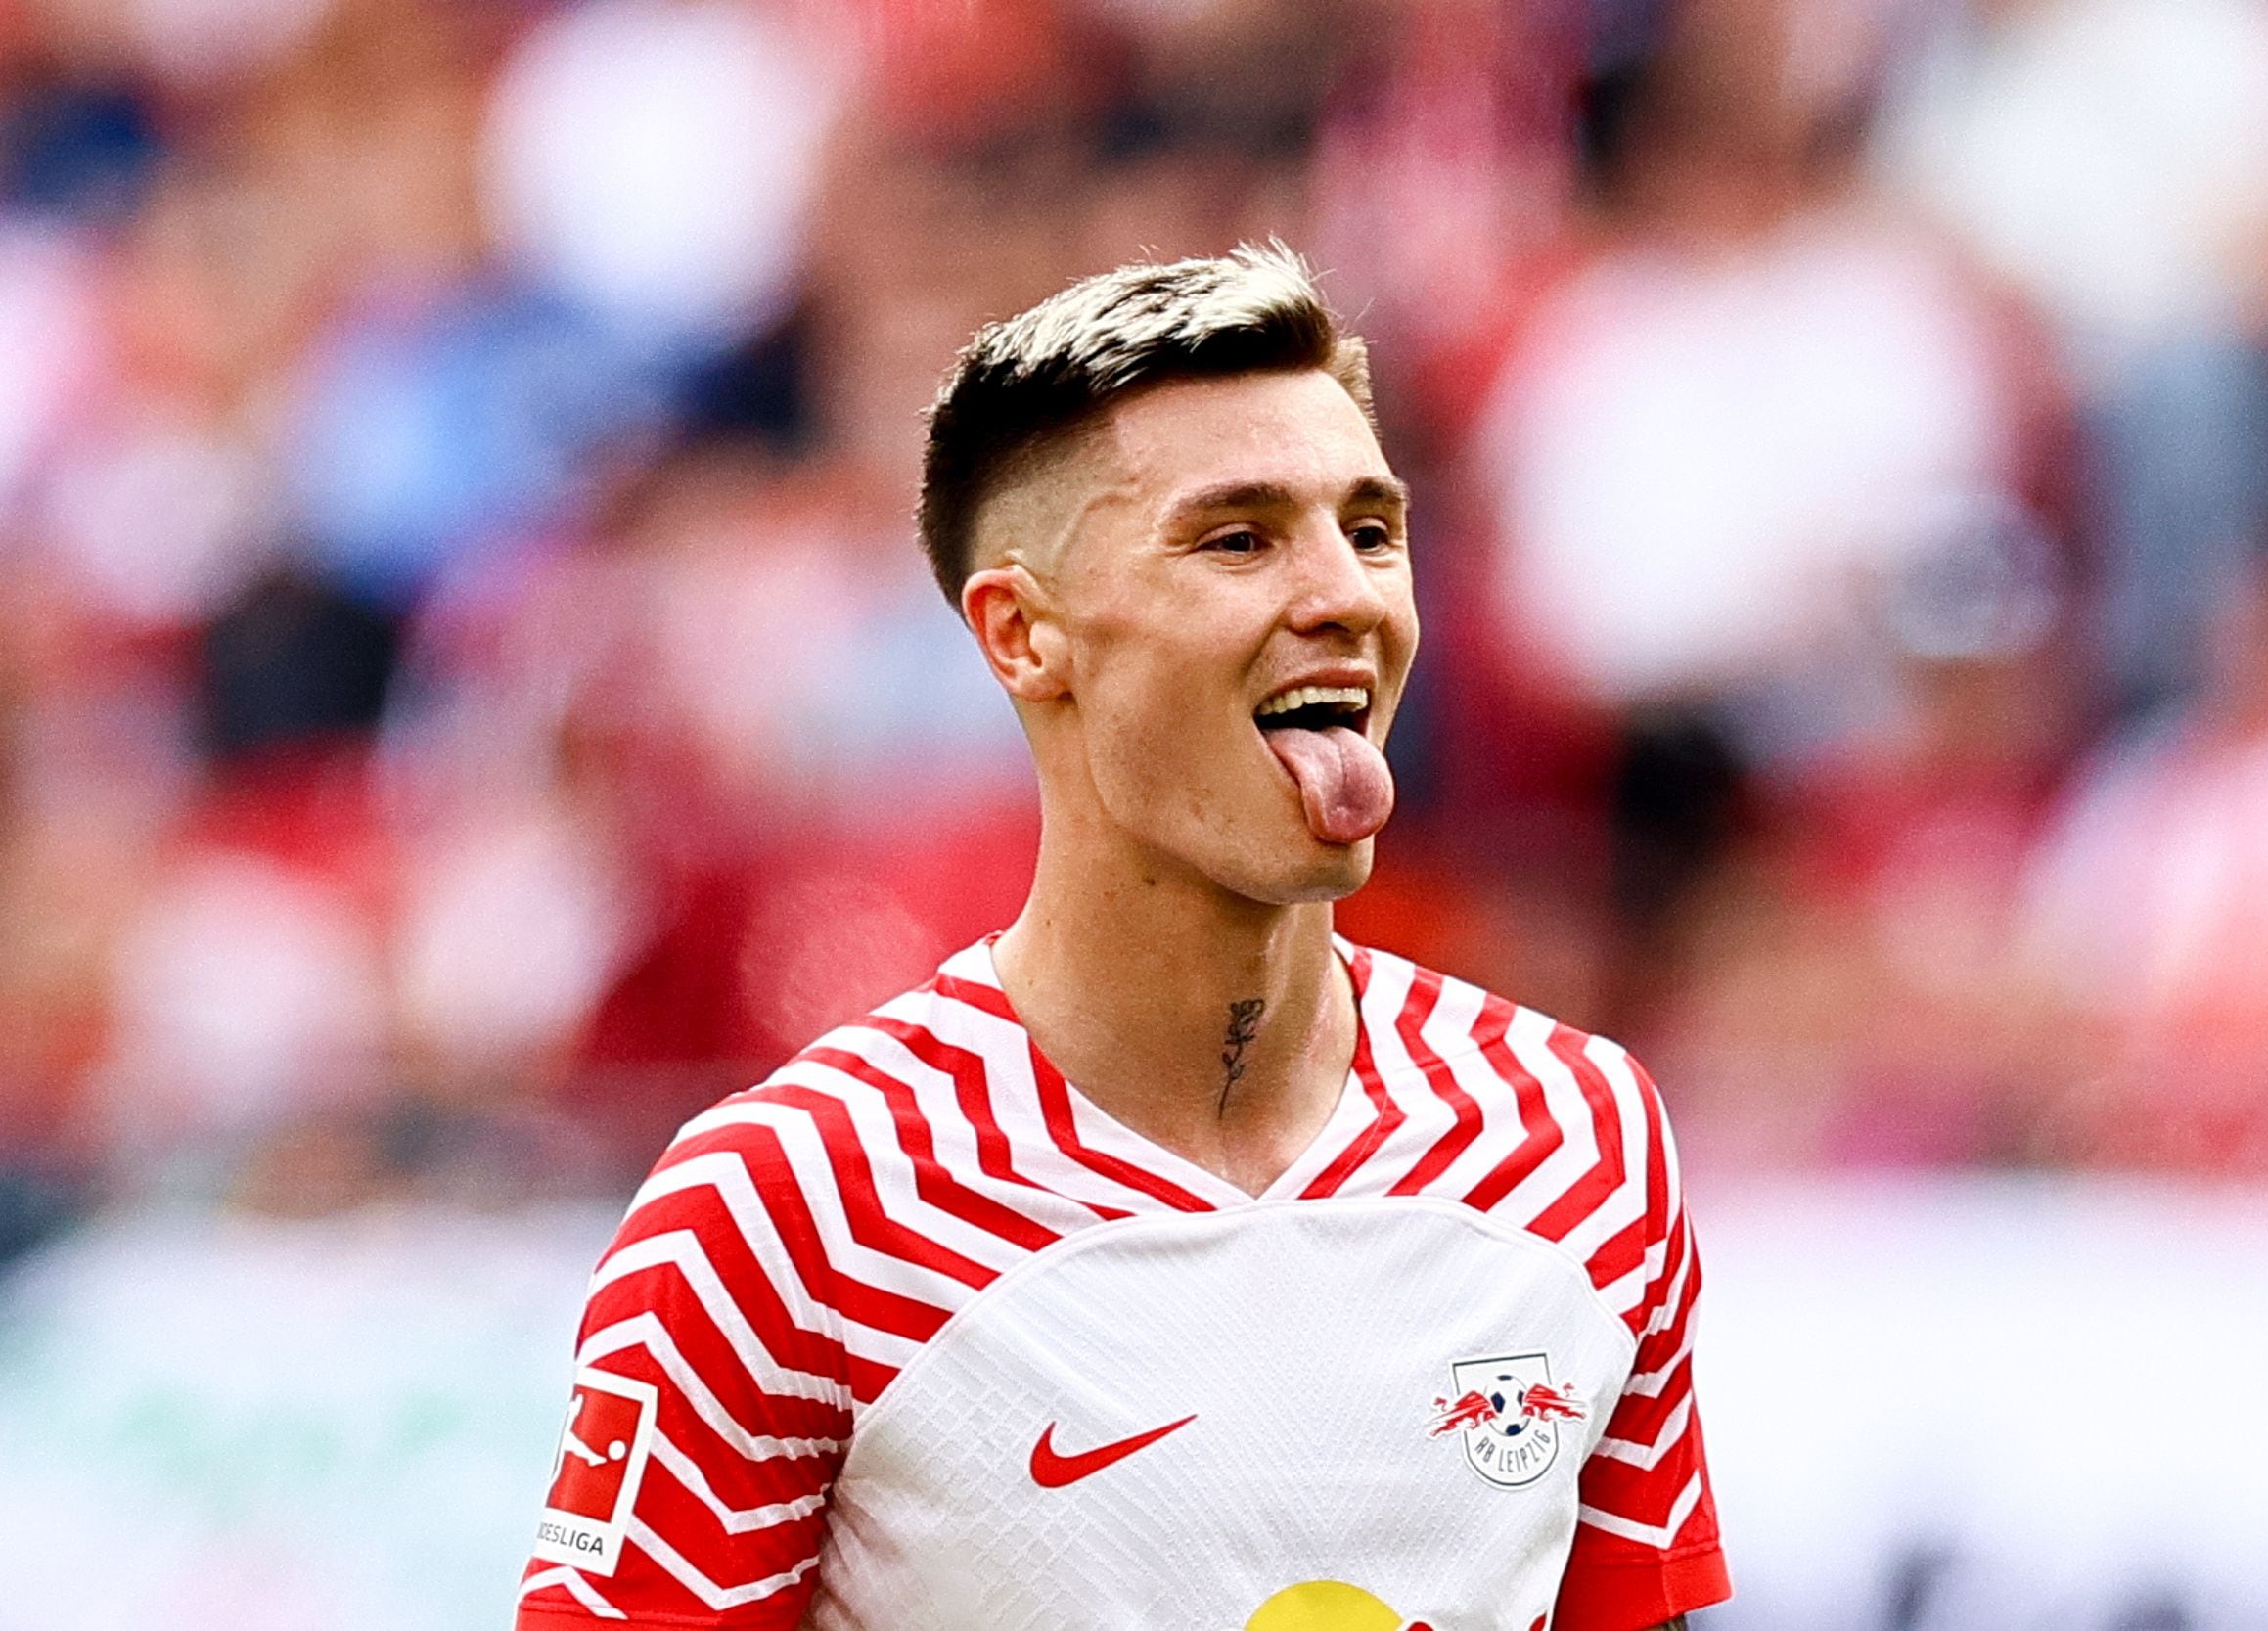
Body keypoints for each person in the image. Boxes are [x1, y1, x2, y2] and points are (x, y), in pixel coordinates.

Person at [512, 246, 1730, 1631]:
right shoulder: (783, 1211)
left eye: (1373, 530)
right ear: (1026, 635)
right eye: (1239, 537)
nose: (1347, 596)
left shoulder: (1580, 1136)